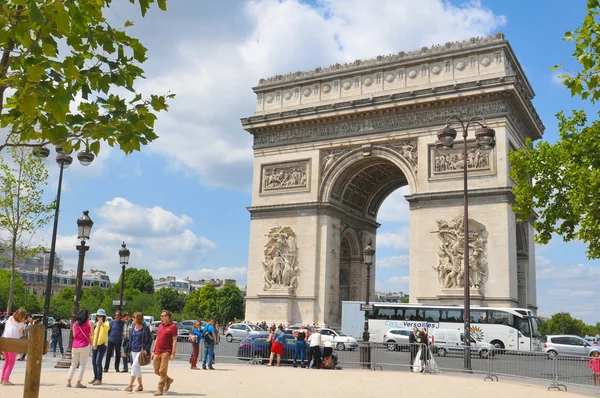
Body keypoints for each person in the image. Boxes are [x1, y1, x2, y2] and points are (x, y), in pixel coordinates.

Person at [123, 312, 152, 392]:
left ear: (138, 318)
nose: (132, 318)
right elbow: (130, 340)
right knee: (137, 368)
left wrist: (146, 349)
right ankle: (140, 385)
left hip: (141, 350)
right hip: (133, 350)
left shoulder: (144, 328)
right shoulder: (133, 327)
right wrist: (126, 350)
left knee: (134, 366)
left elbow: (149, 340)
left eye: (134, 317)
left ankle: (130, 385)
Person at [152, 310, 178, 396]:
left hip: (166, 351)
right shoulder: (160, 326)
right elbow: (157, 338)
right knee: (156, 371)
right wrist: (153, 350)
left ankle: (160, 389)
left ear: (167, 317)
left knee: (162, 371)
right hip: (157, 351)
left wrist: (173, 353)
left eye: (162, 316)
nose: (161, 317)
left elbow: (174, 340)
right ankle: (168, 380)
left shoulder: (173, 326)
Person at [67, 309, 93, 388]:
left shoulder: (75, 324)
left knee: (73, 364)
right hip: (84, 345)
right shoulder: (90, 322)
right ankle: (78, 382)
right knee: (82, 365)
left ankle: (69, 381)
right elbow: (92, 334)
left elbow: (74, 335)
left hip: (75, 345)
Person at [1, 308, 26, 385]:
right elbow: (21, 334)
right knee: (11, 362)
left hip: (4, 341)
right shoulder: (21, 324)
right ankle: (6, 379)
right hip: (13, 343)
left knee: (6, 361)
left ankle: (2, 378)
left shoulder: (10, 318)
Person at [90, 309, 110, 385]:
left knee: (98, 361)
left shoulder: (106, 323)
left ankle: (99, 378)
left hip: (102, 345)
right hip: (95, 344)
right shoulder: (96, 324)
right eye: (98, 316)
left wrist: (102, 324)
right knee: (93, 362)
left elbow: (107, 328)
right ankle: (95, 377)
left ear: (104, 316)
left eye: (101, 316)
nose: (99, 317)